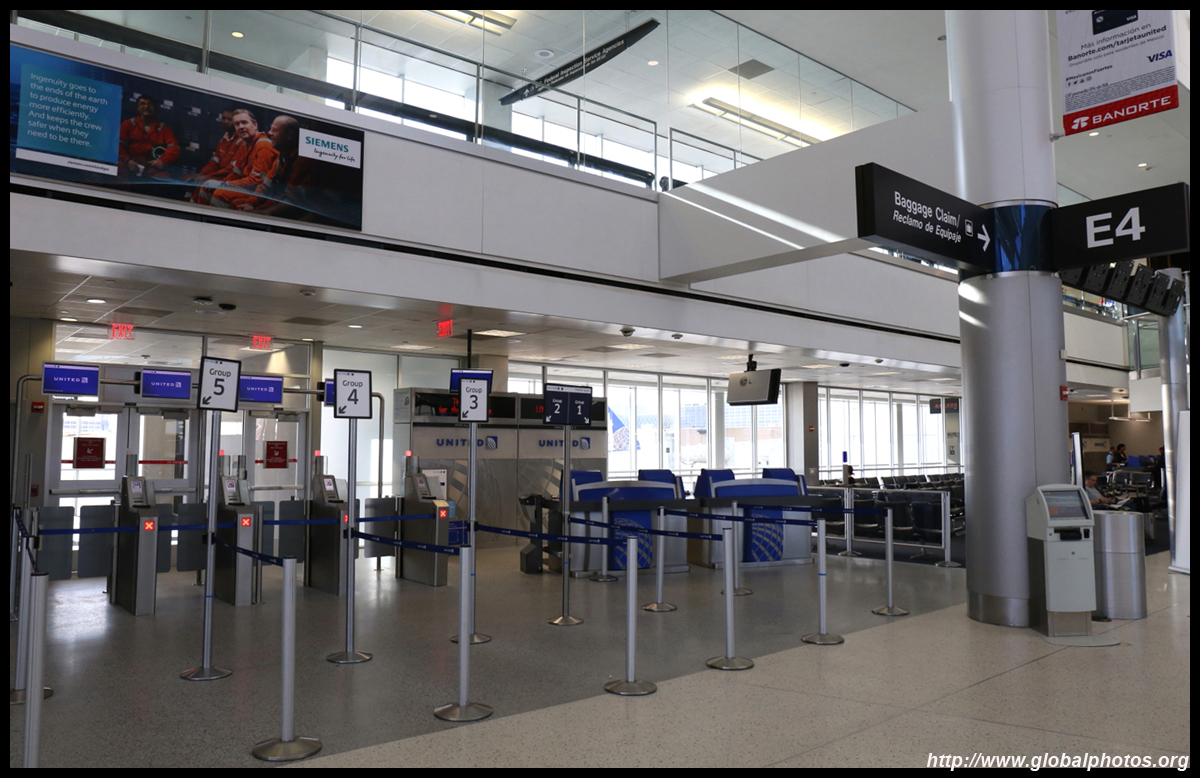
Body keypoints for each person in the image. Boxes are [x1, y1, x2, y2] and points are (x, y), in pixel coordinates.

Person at [194, 109, 278, 209]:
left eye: (244, 122)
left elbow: (256, 180)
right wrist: (221, 183)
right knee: (207, 188)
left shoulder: (263, 146)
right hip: (248, 187)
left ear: (255, 125)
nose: (241, 127)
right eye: (237, 124)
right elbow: (236, 173)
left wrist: (223, 184)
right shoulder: (244, 144)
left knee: (221, 194)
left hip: (260, 191)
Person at [118, 95, 180, 178]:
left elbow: (174, 148)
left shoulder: (163, 129)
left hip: (152, 168)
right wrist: (127, 161)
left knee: (164, 177)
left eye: (150, 104)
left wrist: (162, 161)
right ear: (138, 108)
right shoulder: (128, 124)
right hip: (129, 164)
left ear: (154, 108)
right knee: (117, 169)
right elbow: (118, 145)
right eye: (142, 104)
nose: (146, 106)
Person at [187, 109, 243, 202]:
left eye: (229, 119)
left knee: (203, 183)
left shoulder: (241, 142)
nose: (226, 122)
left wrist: (208, 177)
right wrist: (201, 174)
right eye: (223, 118)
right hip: (218, 176)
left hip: (230, 179)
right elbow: (213, 163)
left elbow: (230, 169)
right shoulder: (223, 140)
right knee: (191, 181)